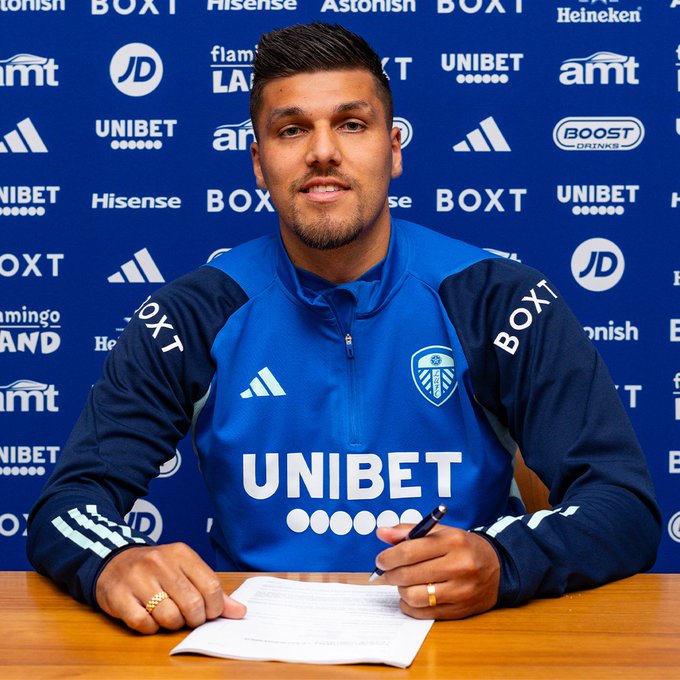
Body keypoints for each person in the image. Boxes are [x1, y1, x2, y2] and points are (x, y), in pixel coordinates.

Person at [27, 23, 661, 635]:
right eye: (292, 129)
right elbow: (70, 502)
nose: (323, 151)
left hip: (459, 638)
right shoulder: (193, 313)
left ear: (393, 149)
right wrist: (113, 561)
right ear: (259, 162)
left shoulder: (498, 298)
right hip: (250, 645)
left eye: (352, 124)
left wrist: (505, 562)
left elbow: (623, 505)